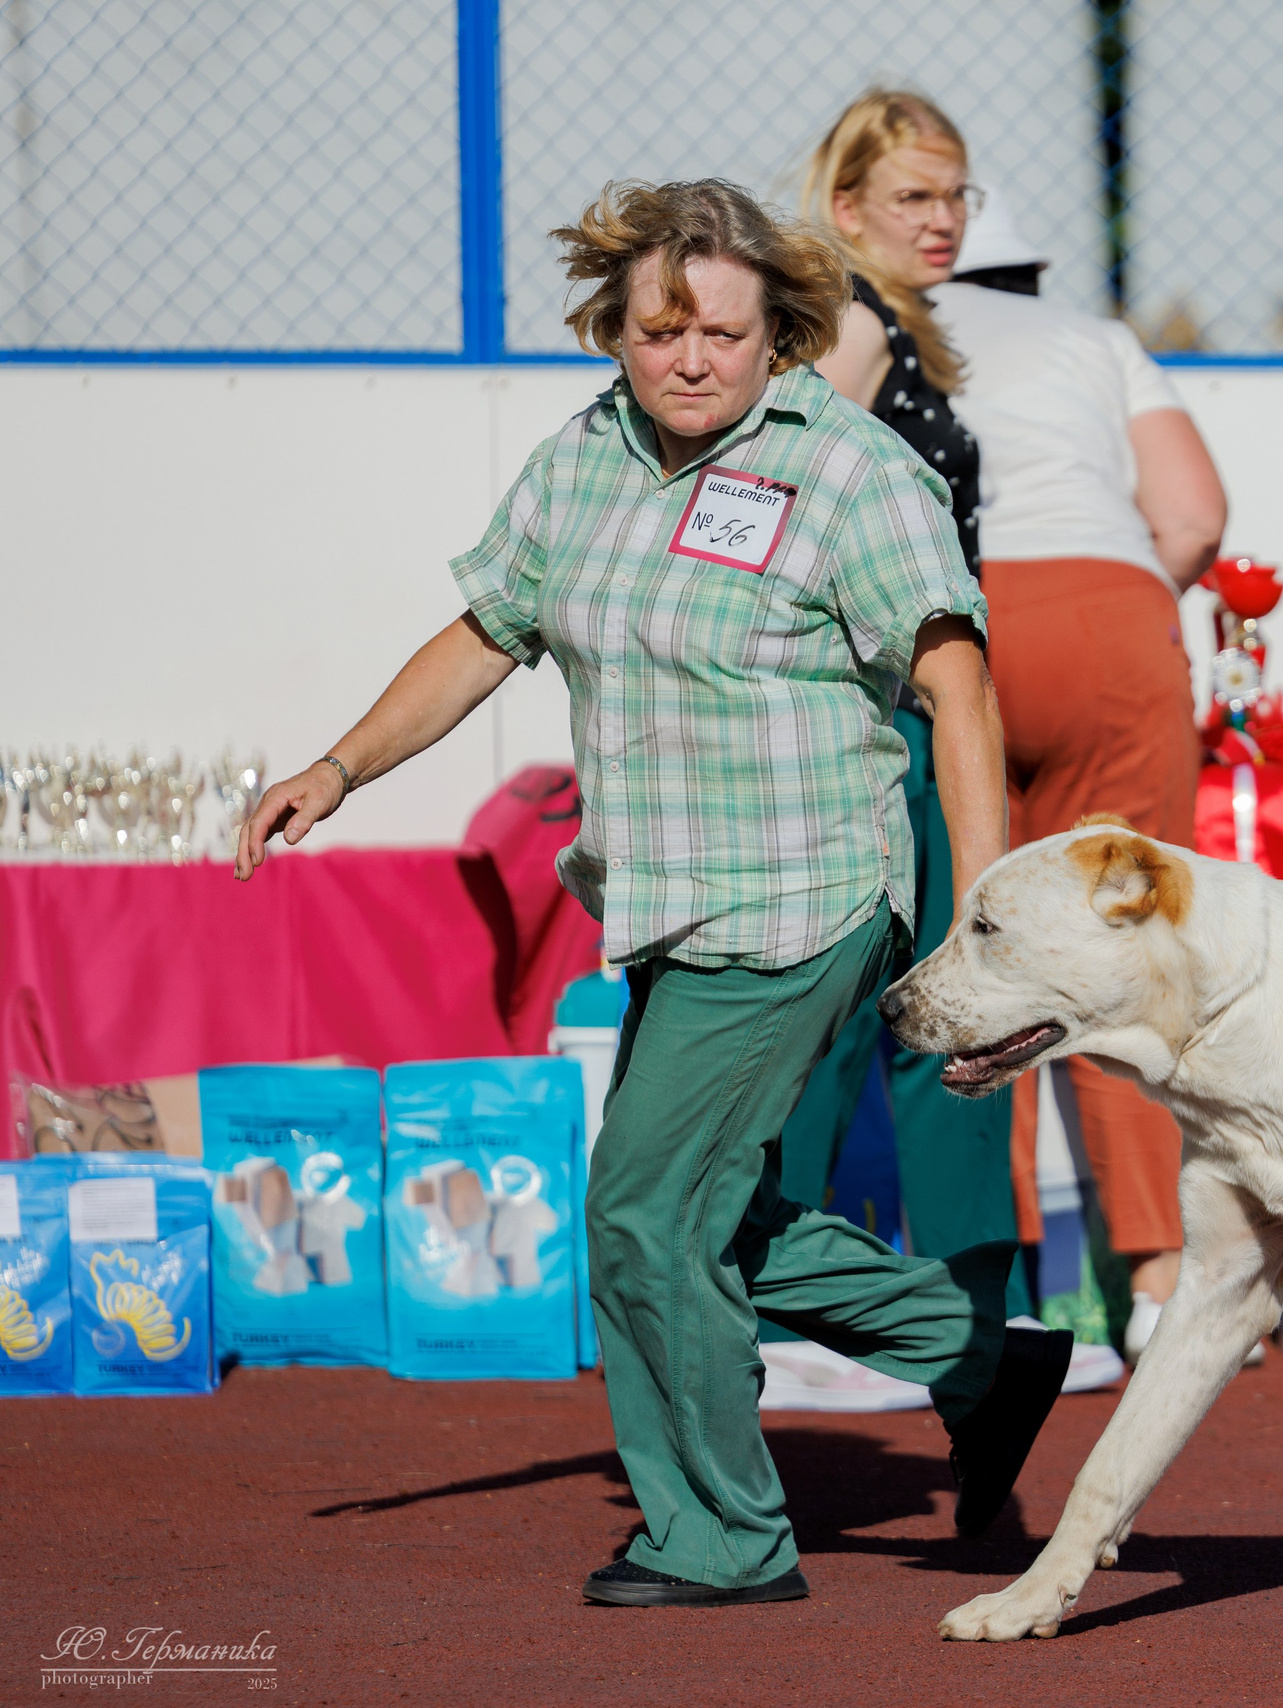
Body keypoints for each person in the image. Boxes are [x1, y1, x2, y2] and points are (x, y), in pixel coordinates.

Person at [232, 179, 1071, 1606]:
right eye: (661, 331)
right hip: (670, 905)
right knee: (703, 1210)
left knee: (637, 1209)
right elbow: (488, 629)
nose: (693, 361)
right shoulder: (584, 458)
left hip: (808, 892)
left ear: (780, 335)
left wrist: (980, 918)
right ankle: (979, 1348)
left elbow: (956, 687)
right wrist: (341, 765)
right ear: (613, 331)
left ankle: (722, 1536)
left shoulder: (851, 470)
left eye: (727, 336)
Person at [933, 186, 1229, 1360]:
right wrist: (1116, 596)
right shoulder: (1095, 340)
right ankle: (1157, 1280)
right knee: (1127, 955)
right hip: (1114, 615)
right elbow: (1196, 517)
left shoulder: (887, 327)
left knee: (975, 952)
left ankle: (995, 1294)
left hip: (963, 620)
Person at [772, 88, 1028, 1334]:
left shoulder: (891, 320)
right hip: (882, 725)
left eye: (955, 196)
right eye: (913, 198)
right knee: (863, 1015)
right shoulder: (854, 323)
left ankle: (971, 1312)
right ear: (844, 206)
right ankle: (793, 1311)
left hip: (918, 712)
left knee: (949, 1009)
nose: (942, 221)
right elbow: (790, 499)